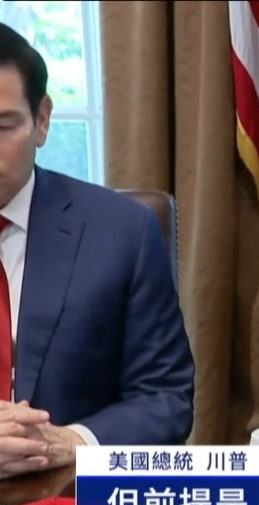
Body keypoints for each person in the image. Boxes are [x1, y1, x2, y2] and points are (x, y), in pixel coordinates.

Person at [0, 24, 194, 476]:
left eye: (3, 127)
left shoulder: (120, 232)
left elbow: (166, 398)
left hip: (69, 497)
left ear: (42, 120)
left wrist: (72, 442)